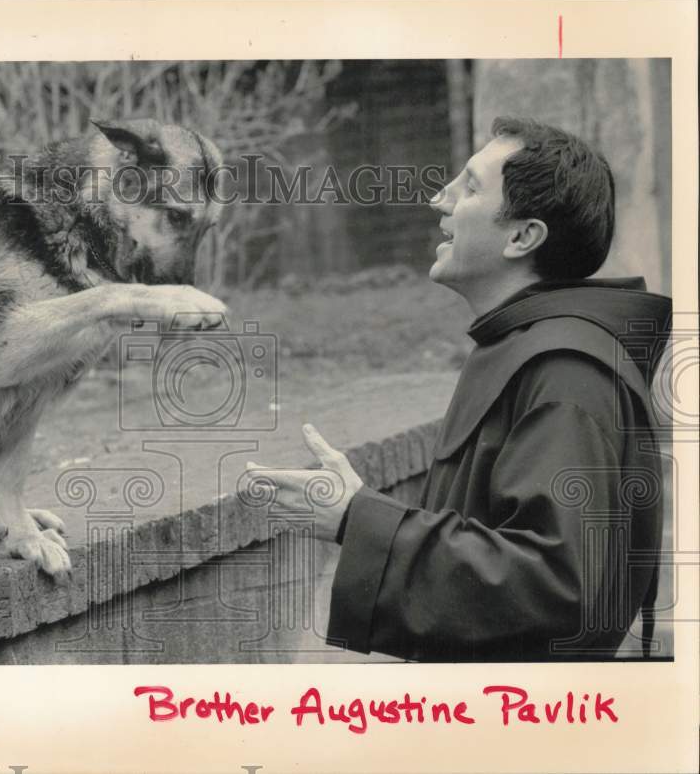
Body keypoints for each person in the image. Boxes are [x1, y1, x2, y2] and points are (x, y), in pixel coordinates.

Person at [250, 117, 671, 661]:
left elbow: (557, 588)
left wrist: (360, 520)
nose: (439, 198)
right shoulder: (528, 347)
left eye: (469, 187)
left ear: (522, 237)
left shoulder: (567, 373)